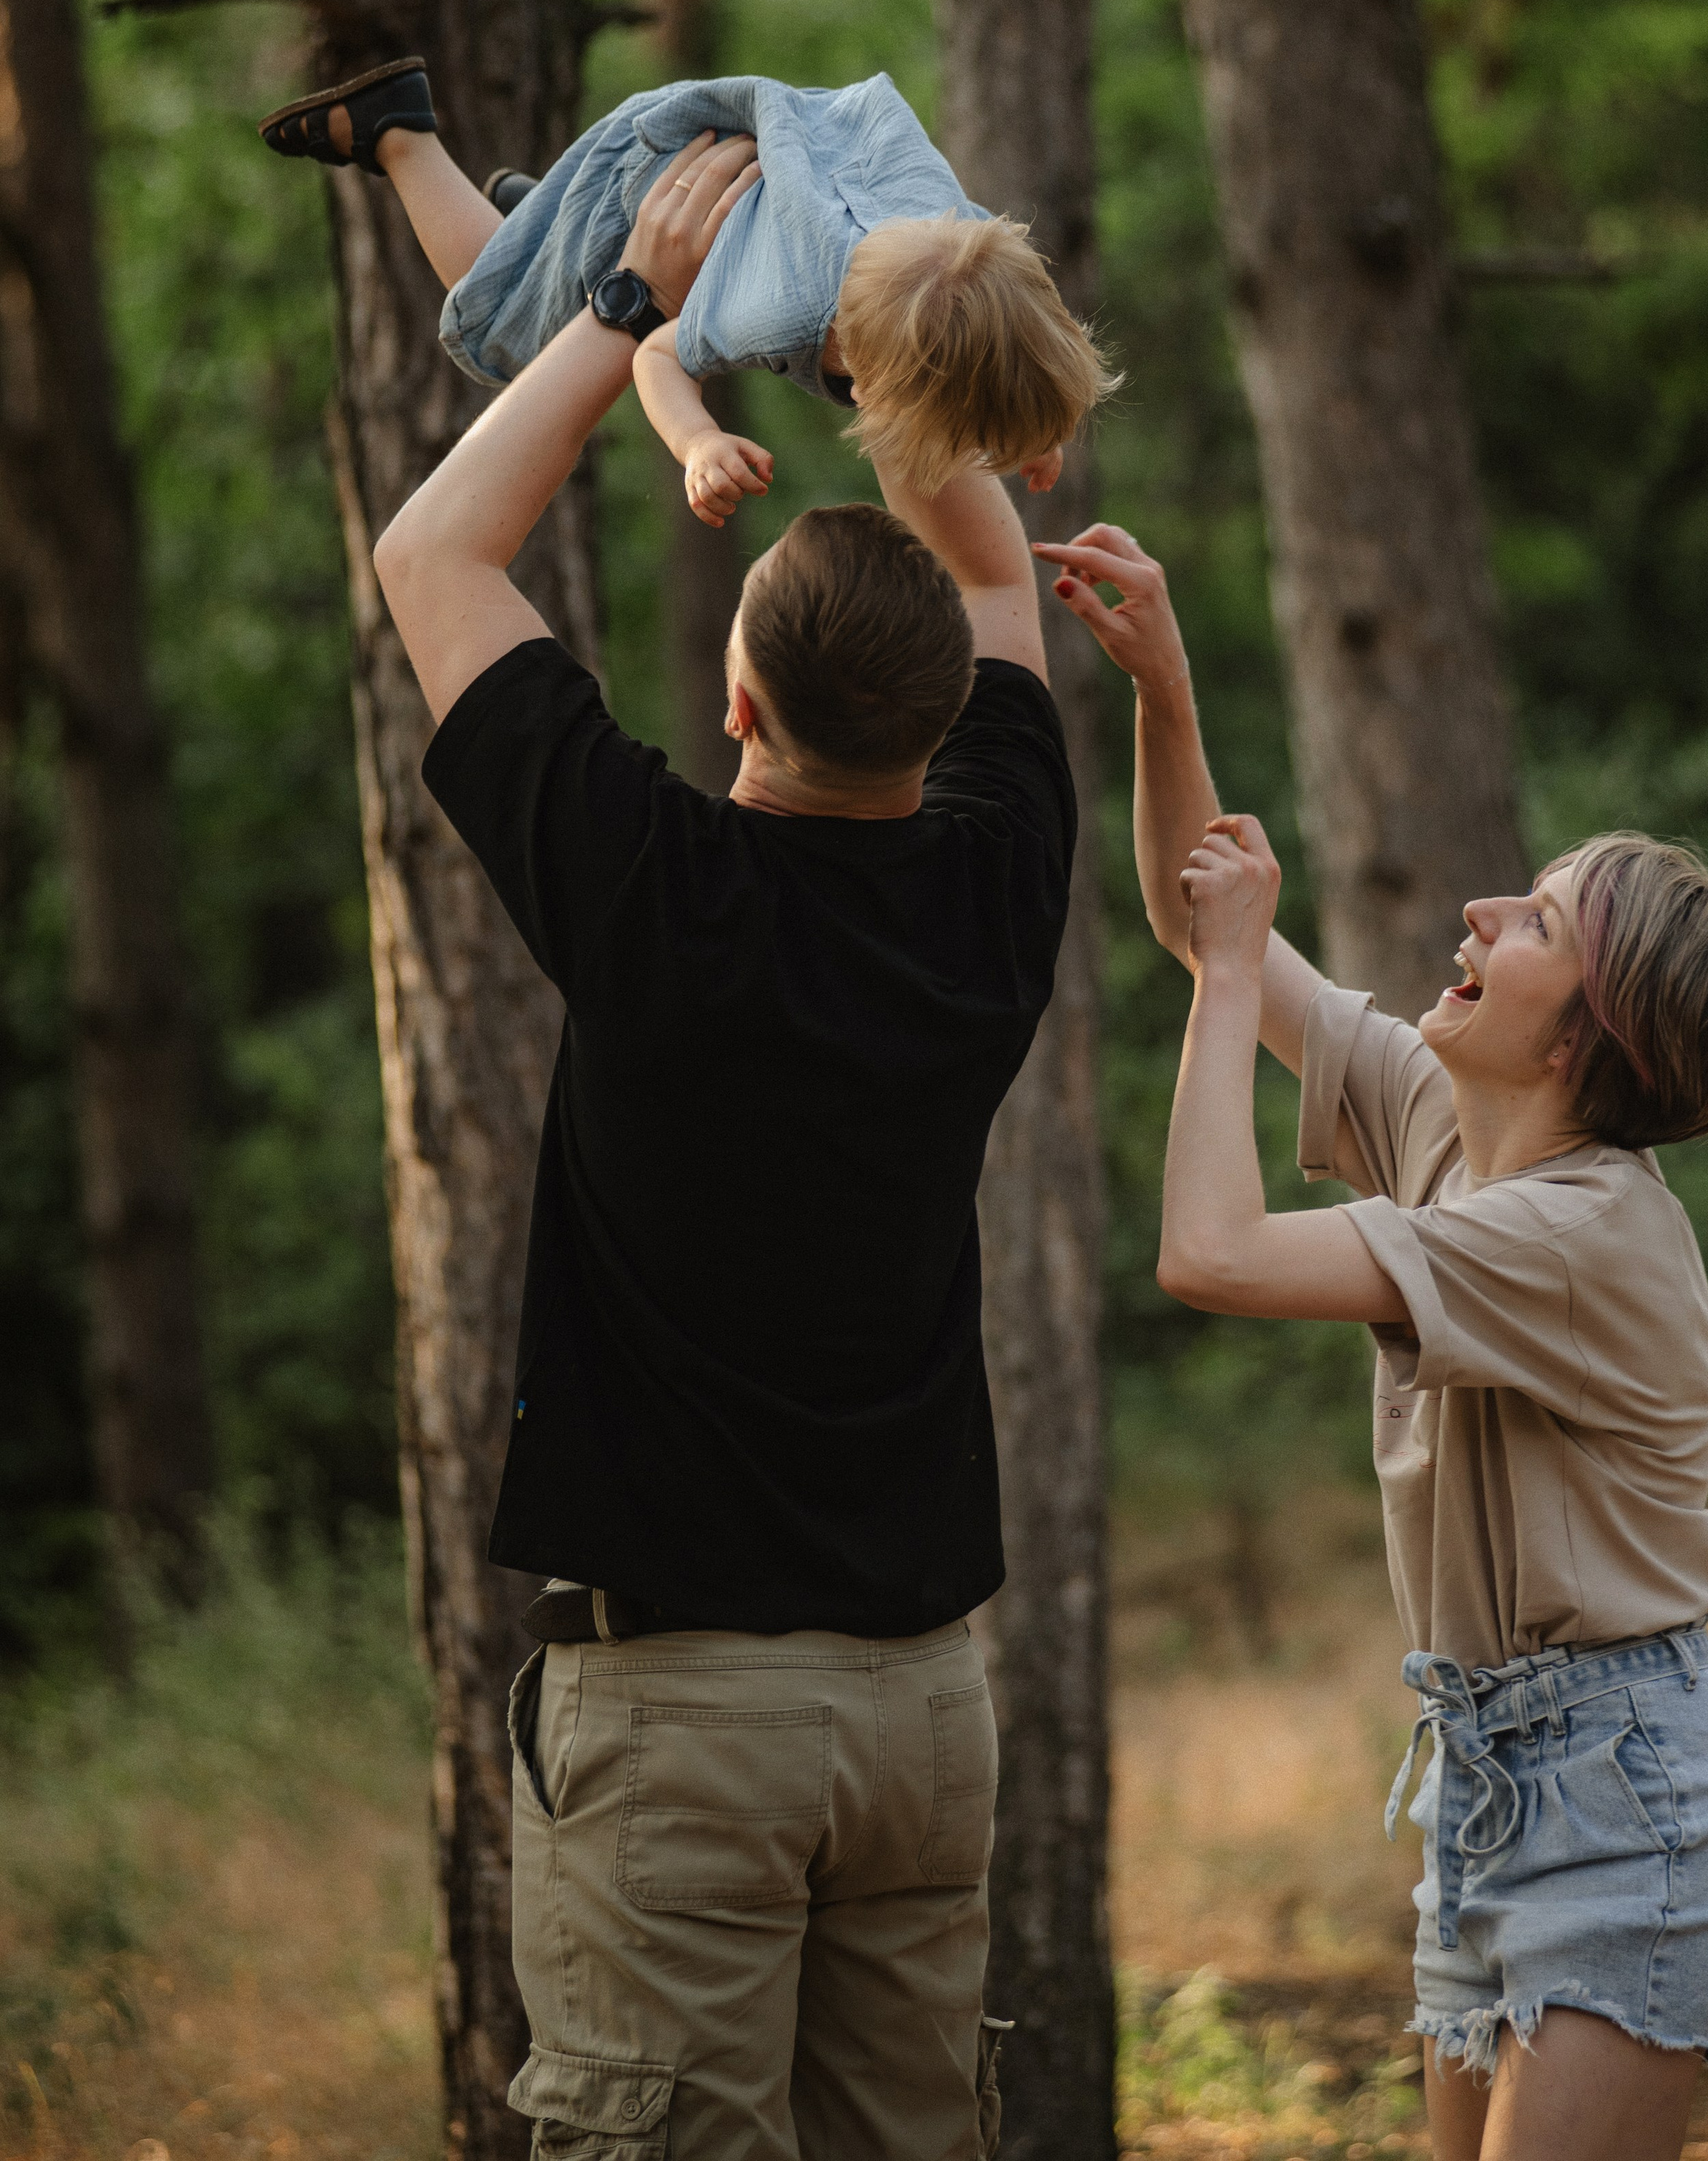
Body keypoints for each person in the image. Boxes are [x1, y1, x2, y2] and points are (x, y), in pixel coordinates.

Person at [367, 131, 1080, 2161]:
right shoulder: (997, 888)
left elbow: (434, 558)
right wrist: (871, 332)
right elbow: (1001, 574)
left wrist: (631, 302)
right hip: (929, 1711)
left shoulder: (657, 891)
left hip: (683, 1716)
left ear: (740, 695)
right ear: (943, 725)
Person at [1031, 520, 1708, 2161]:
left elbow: (1208, 1252)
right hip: (1489, 1777)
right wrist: (1163, 686)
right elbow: (1192, 927)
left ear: (1588, 1036)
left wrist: (1240, 964)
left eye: (1526, 920)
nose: (1472, 912)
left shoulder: (1580, 1231)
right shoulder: (1453, 1128)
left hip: (1618, 1806)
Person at [260, 54, 1115, 527]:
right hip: (658, 179)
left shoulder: (958, 242)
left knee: (556, 279)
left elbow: (1020, 331)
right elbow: (658, 356)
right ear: (864, 372)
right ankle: (399, 130)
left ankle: (537, 220)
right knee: (529, 341)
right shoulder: (786, 305)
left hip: (760, 166)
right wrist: (698, 442)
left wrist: (1030, 428)